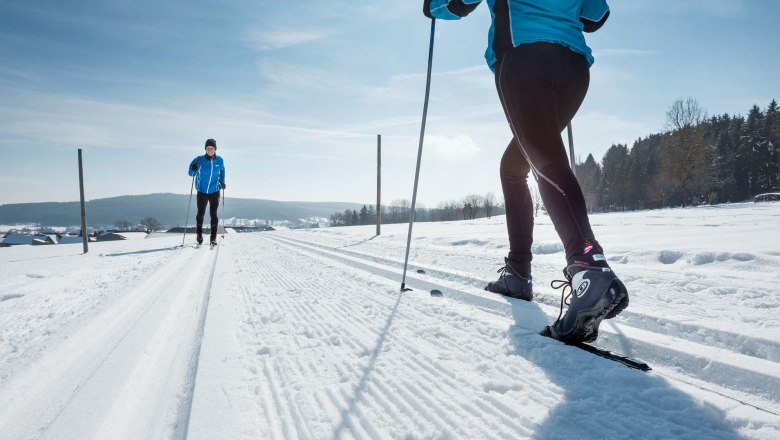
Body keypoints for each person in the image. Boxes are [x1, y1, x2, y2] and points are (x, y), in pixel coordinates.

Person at [423, 0, 628, 343]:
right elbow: (596, 16)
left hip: (524, 59)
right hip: (574, 69)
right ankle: (519, 272)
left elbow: (456, 5)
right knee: (515, 167)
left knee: (545, 162)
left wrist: (433, 6)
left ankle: (588, 268)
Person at [188, 138, 226, 246]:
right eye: (208, 148)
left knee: (213, 214)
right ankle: (199, 235)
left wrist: (222, 182)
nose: (210, 150)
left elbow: (222, 170)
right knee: (200, 214)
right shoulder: (199, 159)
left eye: (212, 148)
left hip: (215, 191)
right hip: (202, 191)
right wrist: (193, 168)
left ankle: (213, 239)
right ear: (205, 149)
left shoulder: (220, 160)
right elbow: (190, 173)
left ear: (215, 149)